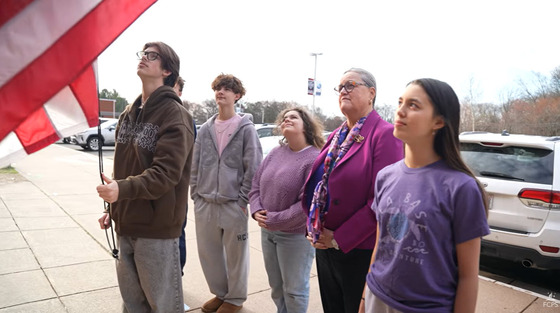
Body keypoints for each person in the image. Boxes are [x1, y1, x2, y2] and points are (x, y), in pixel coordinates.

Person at [360, 78, 490, 313]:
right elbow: (380, 248)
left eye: (413, 105)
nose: (400, 110)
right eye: (400, 102)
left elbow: (469, 277)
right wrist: (364, 299)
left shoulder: (461, 188)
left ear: (438, 121)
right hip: (376, 298)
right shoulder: (385, 177)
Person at [96, 42, 195, 313]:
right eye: (143, 54)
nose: (144, 58)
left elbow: (165, 174)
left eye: (153, 56)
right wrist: (113, 206)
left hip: (157, 231)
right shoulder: (128, 113)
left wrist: (122, 191)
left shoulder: (176, 115)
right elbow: (123, 169)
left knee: (162, 306)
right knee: (133, 305)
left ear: (167, 70)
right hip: (125, 224)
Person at [302, 68, 403, 313]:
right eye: (340, 88)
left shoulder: (385, 135)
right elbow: (320, 184)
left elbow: (383, 201)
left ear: (371, 93)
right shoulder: (337, 135)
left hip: (358, 250)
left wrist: (338, 237)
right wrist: (313, 226)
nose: (343, 91)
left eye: (350, 85)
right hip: (324, 245)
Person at [190, 73, 262, 313]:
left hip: (234, 204)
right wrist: (195, 194)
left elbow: (253, 166)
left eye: (226, 89)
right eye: (218, 88)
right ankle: (221, 294)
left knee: (236, 255)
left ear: (237, 95)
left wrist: (243, 201)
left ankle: (236, 298)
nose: (220, 92)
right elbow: (195, 162)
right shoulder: (206, 128)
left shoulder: (246, 129)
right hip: (205, 202)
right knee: (209, 254)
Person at [249, 107, 325, 313]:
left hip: (295, 237)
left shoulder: (314, 158)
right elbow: (255, 184)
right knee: (276, 288)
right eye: (284, 118)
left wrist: (274, 219)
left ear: (306, 125)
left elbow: (308, 205)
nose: (287, 119)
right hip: (267, 232)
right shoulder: (275, 153)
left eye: (293, 117)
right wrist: (256, 210)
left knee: (294, 290)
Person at [173, 75, 193, 312]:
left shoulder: (182, 118)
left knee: (176, 241)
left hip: (174, 197)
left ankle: (177, 288)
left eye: (175, 89)